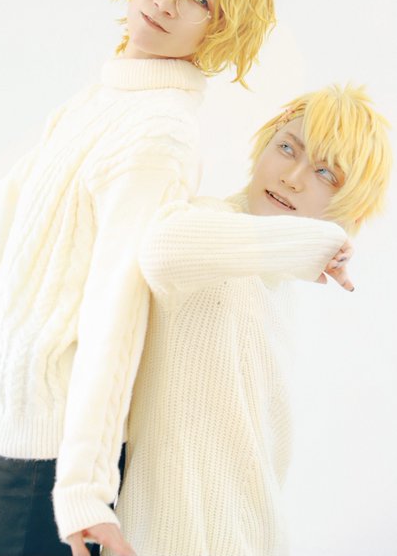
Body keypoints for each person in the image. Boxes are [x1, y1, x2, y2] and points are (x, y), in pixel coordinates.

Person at [0, 0, 277, 556]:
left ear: (220, 29)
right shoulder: (102, 101)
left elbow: (117, 308)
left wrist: (84, 488)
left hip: (51, 455)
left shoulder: (158, 132)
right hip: (18, 428)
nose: (167, 0)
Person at [104, 84, 391, 556]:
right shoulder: (207, 223)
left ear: (351, 206)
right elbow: (162, 248)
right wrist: (315, 243)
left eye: (325, 173)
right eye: (287, 148)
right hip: (168, 538)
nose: (292, 178)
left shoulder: (278, 287)